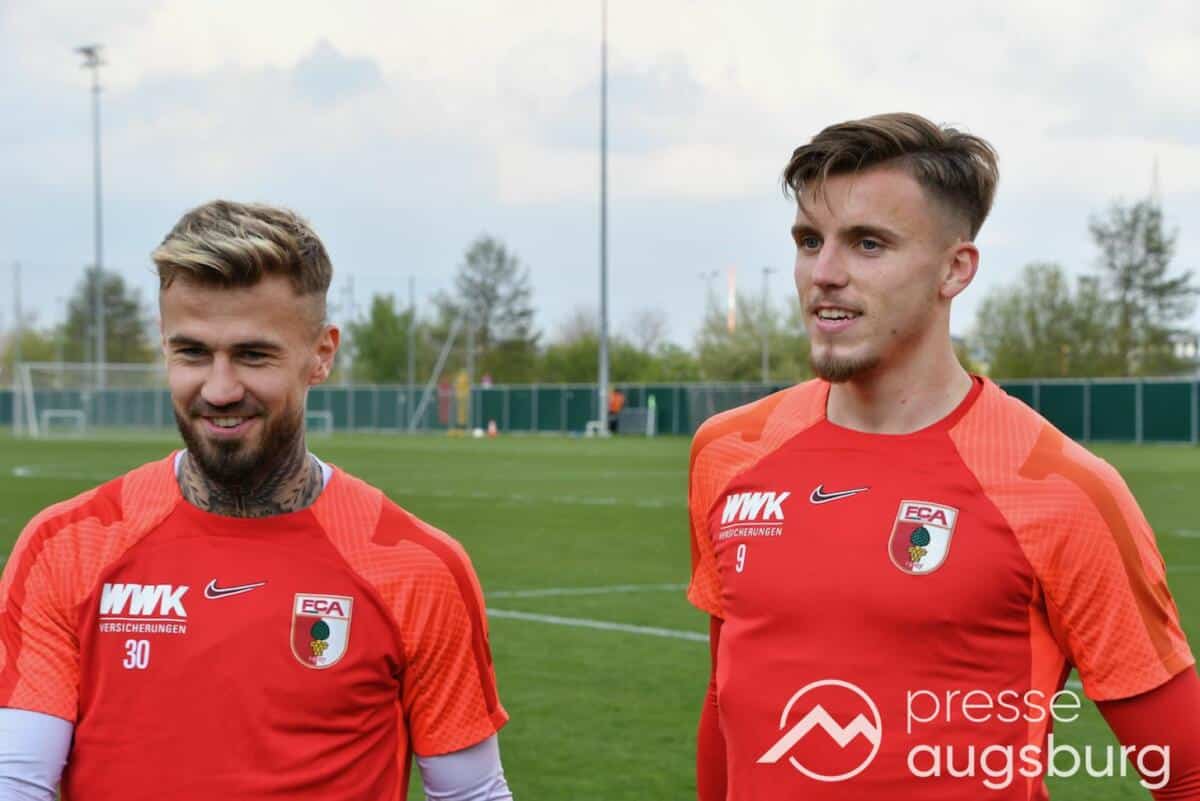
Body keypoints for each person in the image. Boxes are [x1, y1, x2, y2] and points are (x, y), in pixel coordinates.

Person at [688, 113, 1200, 800]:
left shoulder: (1061, 489)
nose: (825, 273)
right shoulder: (729, 451)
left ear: (955, 269)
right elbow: (725, 703)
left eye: (868, 243)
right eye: (810, 241)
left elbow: (1186, 770)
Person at [0, 201, 513, 800]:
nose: (219, 389)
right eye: (193, 353)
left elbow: (471, 793)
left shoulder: (417, 567)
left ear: (321, 354)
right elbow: (17, 782)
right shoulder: (67, 546)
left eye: (252, 354)